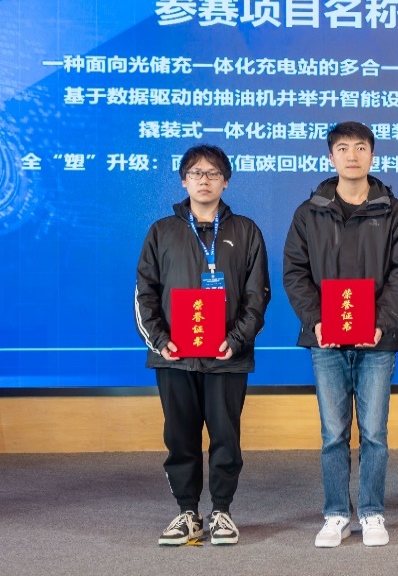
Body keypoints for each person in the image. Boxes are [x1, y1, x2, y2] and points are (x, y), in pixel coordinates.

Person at [282, 122, 398, 548]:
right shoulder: (309, 213)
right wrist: (315, 320)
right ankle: (336, 514)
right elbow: (294, 272)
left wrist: (381, 321)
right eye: (343, 148)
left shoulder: (395, 212)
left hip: (378, 339)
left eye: (360, 147)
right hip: (325, 339)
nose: (352, 156)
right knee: (333, 433)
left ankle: (373, 511)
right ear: (331, 157)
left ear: (372, 155)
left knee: (374, 433)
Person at [135, 144, 271, 547]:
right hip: (175, 358)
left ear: (225, 181)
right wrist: (161, 342)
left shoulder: (245, 231)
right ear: (183, 181)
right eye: (196, 173)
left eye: (213, 173)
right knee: (180, 437)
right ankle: (187, 513)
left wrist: (237, 339)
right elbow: (145, 293)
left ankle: (222, 511)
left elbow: (258, 295)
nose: (204, 180)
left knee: (226, 436)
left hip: (227, 356)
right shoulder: (162, 231)